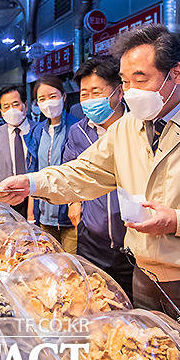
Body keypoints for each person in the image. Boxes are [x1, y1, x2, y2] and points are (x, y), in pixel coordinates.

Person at [0, 24, 180, 360]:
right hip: (144, 277)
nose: (129, 91)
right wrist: (33, 183)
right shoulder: (127, 127)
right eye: (125, 82)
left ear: (175, 73)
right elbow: (86, 172)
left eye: (140, 79)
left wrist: (178, 221)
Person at [63, 56, 133, 297]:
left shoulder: (139, 126)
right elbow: (71, 172)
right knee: (94, 300)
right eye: (84, 94)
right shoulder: (78, 132)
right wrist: (75, 203)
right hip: (92, 237)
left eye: (96, 91)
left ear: (119, 91)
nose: (90, 99)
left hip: (133, 239)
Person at [27, 75, 80, 254]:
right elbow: (32, 174)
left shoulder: (77, 127)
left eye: (53, 96)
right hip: (44, 215)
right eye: (42, 99)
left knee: (71, 269)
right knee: (47, 266)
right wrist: (31, 215)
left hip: (71, 217)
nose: (48, 103)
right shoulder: (36, 132)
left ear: (63, 96)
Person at [0, 85, 39, 217]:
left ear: (25, 105)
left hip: (35, 199)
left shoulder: (39, 130)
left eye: (16, 104)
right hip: (6, 201)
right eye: (6, 107)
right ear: (1, 110)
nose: (11, 110)